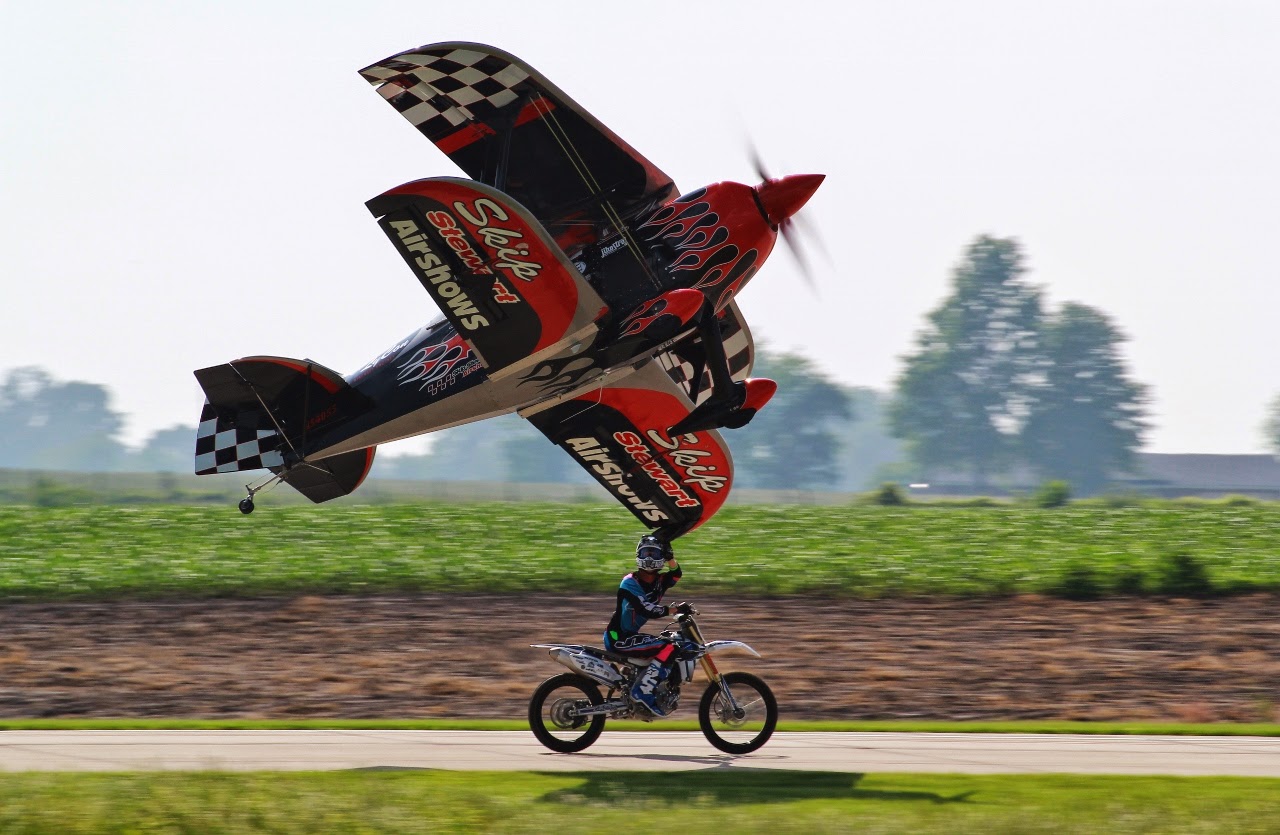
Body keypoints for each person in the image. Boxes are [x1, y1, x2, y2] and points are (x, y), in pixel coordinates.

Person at [604, 533, 684, 716]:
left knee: (667, 644)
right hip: (618, 638)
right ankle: (642, 693)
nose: (648, 558)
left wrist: (671, 558)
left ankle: (646, 686)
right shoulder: (629, 583)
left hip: (628, 636)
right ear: (638, 556)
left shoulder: (660, 582)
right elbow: (646, 609)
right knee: (669, 648)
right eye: (645, 553)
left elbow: (676, 574)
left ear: (661, 558)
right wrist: (674, 610)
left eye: (653, 554)